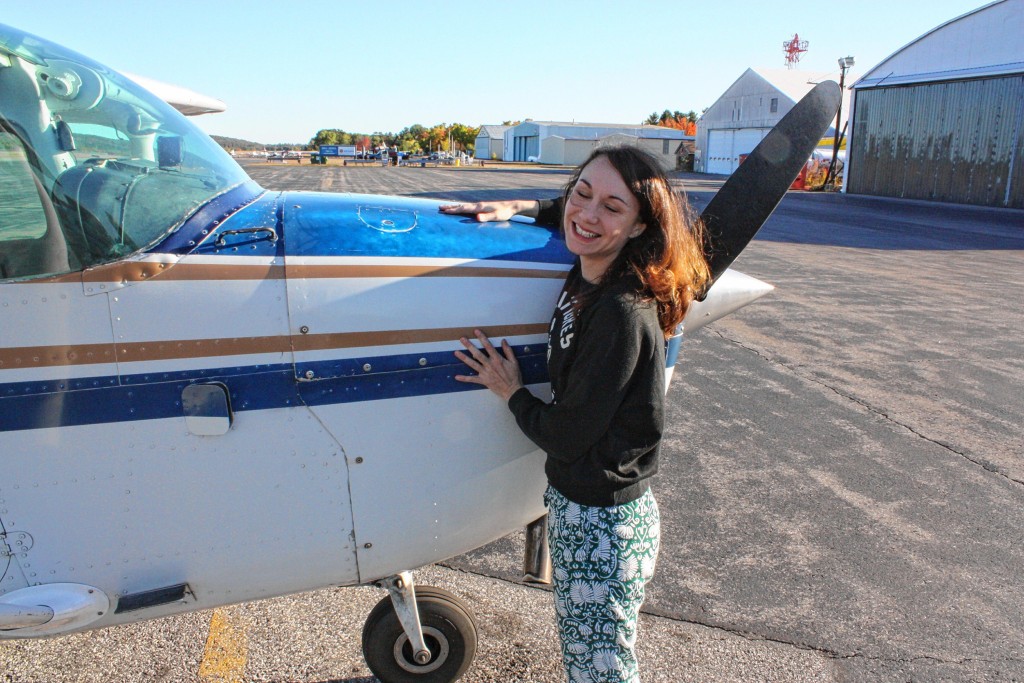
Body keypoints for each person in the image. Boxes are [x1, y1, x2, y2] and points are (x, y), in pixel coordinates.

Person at [441, 145, 710, 683]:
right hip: (586, 510)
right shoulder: (593, 267)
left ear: (638, 227)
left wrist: (510, 389)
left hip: (602, 526)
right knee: (588, 657)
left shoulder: (618, 312)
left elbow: (567, 437)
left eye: (613, 208)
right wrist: (520, 205)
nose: (587, 215)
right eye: (582, 194)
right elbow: (575, 213)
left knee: (600, 670)